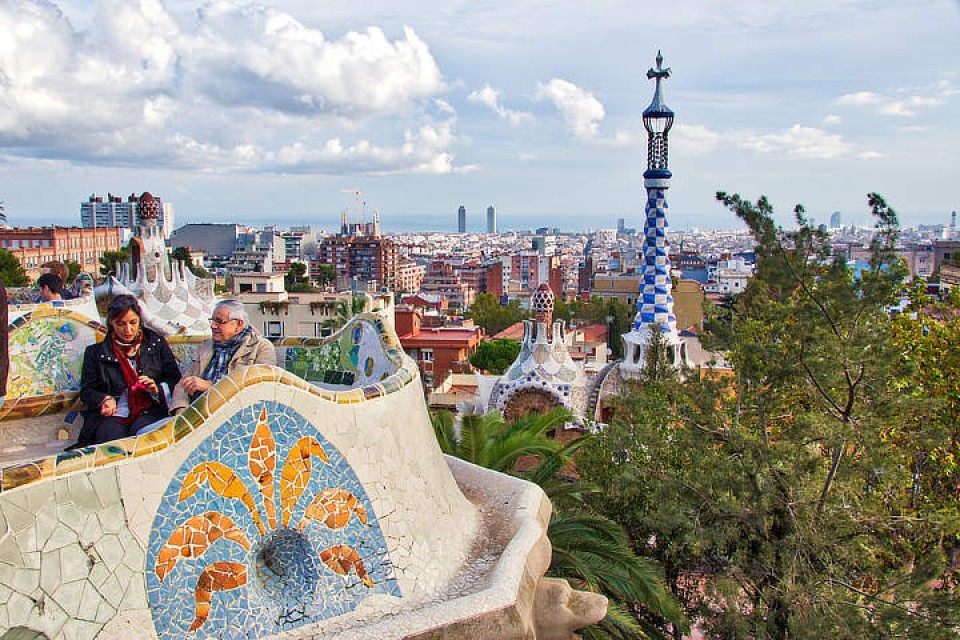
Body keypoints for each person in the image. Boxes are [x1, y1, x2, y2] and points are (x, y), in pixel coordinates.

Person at [77, 295, 181, 446]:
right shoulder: (96, 353)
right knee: (112, 444)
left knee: (147, 440)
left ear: (140, 320)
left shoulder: (156, 344)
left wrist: (157, 389)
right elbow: (87, 391)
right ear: (111, 323)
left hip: (150, 410)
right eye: (120, 324)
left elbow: (175, 379)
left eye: (133, 323)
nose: (128, 330)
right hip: (115, 414)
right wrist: (104, 399)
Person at [170, 300, 276, 414]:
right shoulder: (206, 346)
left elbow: (258, 389)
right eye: (212, 320)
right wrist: (180, 409)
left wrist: (210, 386)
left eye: (220, 321)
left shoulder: (260, 347)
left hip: (234, 416)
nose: (213, 326)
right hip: (196, 415)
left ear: (239, 324)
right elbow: (183, 385)